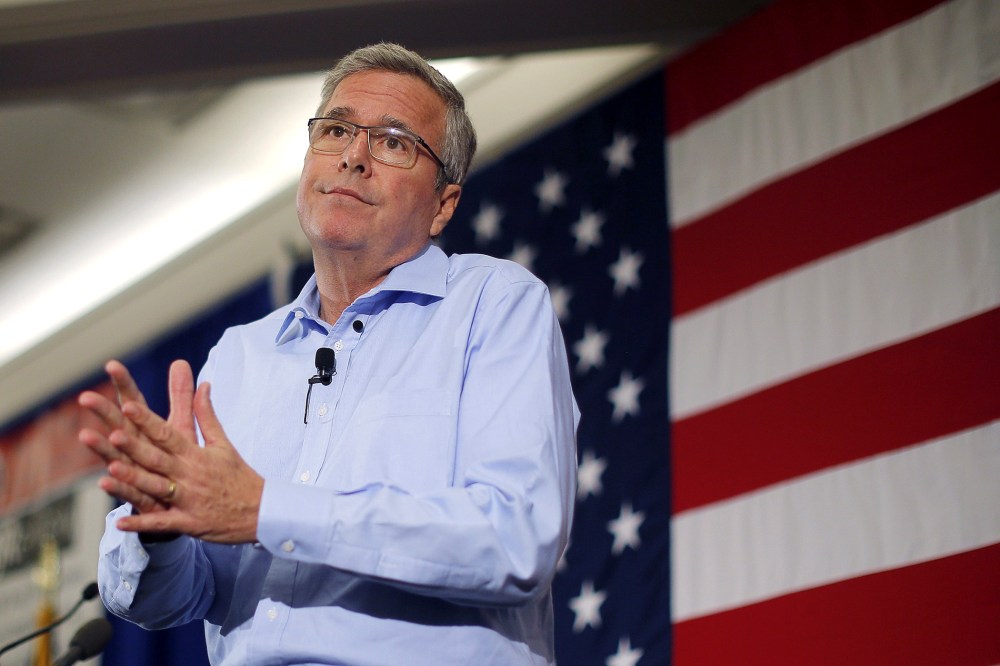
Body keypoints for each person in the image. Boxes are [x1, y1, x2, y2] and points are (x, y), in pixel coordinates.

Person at [78, 43, 579, 665]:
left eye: (394, 142)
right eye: (336, 129)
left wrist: (267, 509)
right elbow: (174, 601)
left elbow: (515, 538)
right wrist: (160, 525)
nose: (353, 156)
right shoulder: (240, 356)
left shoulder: (492, 304)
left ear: (443, 204)